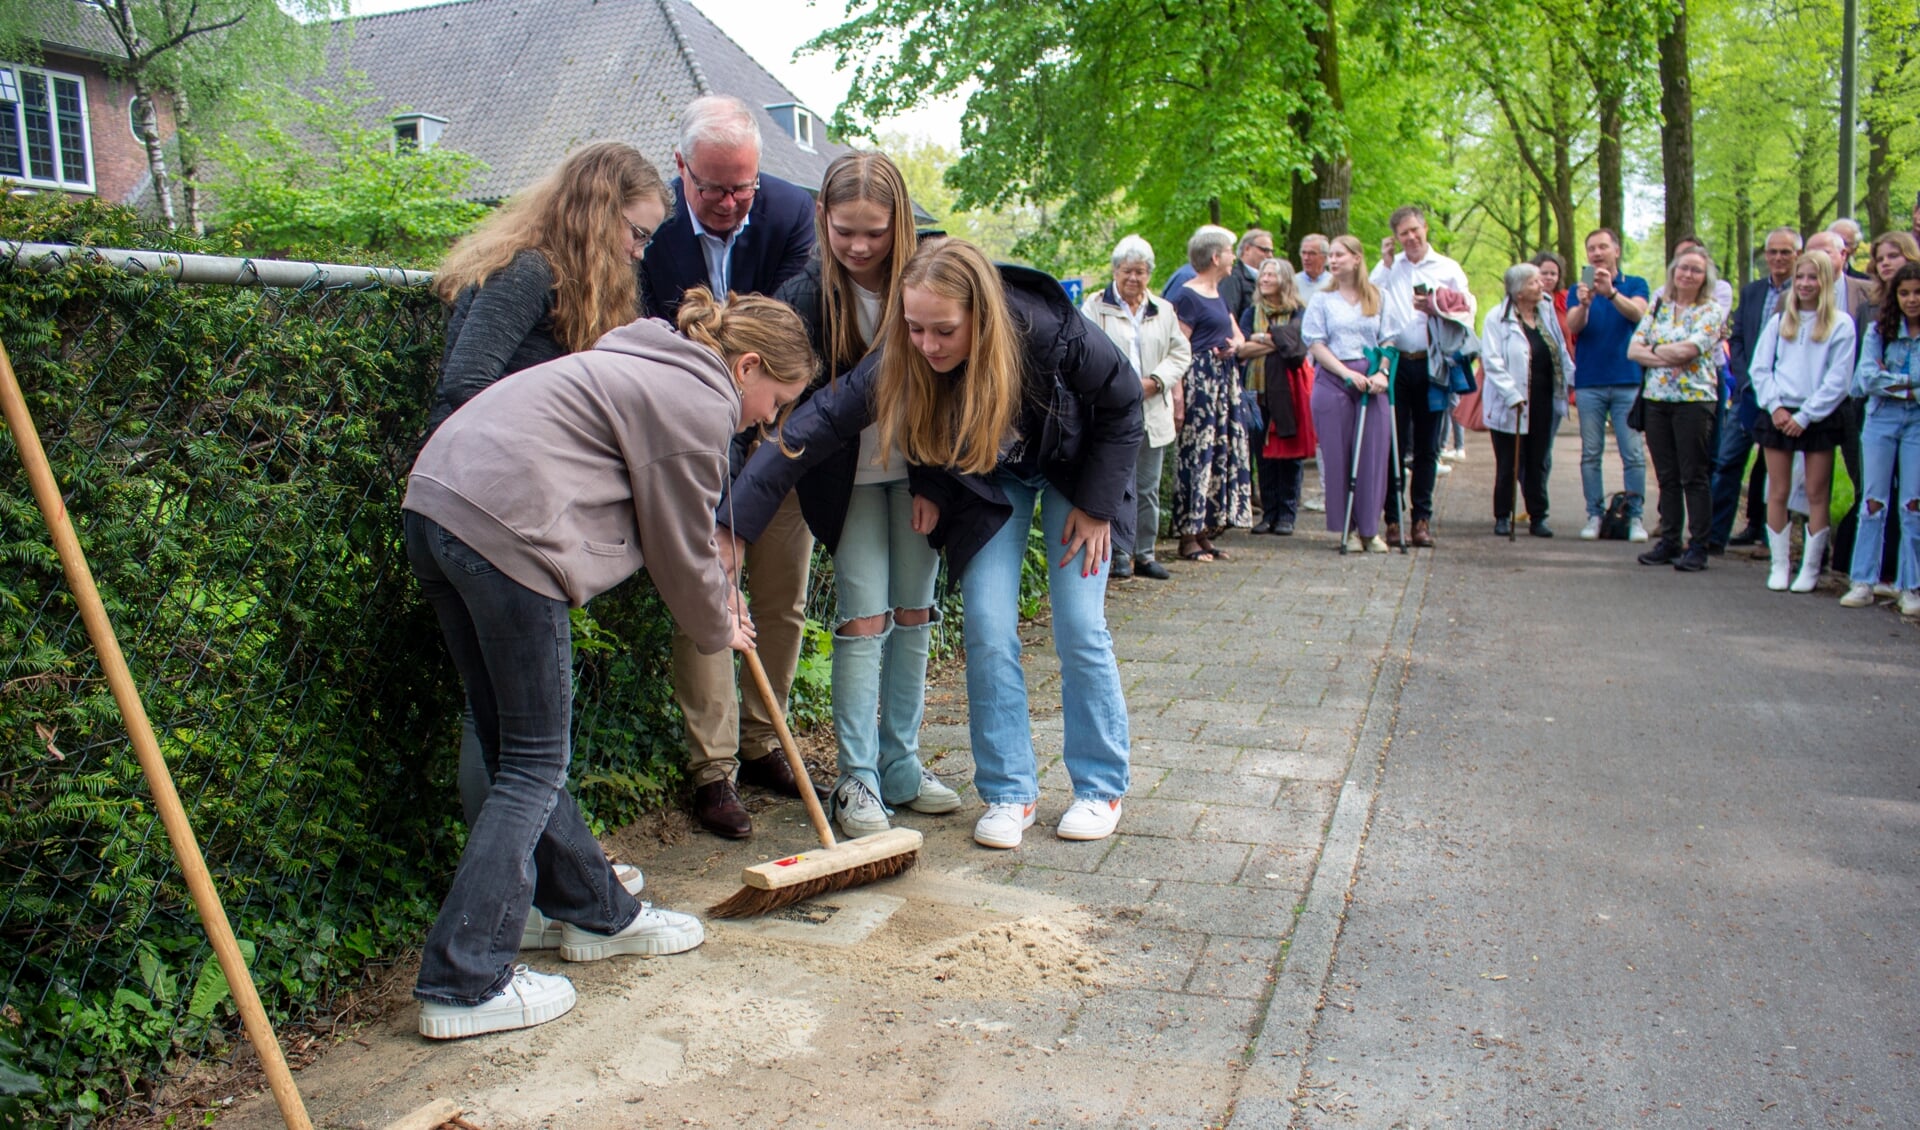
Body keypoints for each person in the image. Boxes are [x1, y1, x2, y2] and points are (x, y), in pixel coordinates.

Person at [404, 289, 813, 1039]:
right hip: (507, 530)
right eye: (775, 398)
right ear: (748, 364)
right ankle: (462, 981)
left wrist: (717, 608)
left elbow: (673, 533)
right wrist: (719, 623)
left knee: (511, 749)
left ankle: (594, 913)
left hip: (436, 506)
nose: (767, 418)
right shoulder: (698, 403)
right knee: (534, 763)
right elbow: (681, 544)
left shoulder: (646, 359)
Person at [725, 237, 1143, 849]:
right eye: (915, 329)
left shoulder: (1049, 328)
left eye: (943, 331)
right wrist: (733, 524)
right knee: (987, 622)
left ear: (982, 314)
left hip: (1075, 476)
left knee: (1079, 624)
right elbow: (820, 422)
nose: (927, 345)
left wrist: (1099, 506)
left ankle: (1100, 785)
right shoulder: (909, 348)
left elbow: (1123, 400)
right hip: (990, 481)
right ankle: (1008, 791)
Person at [426, 140, 668, 944]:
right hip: (493, 518)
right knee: (512, 739)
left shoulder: (576, 285)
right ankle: (523, 899)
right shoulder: (528, 271)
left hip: (504, 518)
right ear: (598, 214)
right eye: (635, 233)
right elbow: (466, 386)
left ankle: (544, 885)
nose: (640, 251)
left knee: (511, 730)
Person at [764, 152, 961, 839]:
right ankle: (859, 779)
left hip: (917, 476)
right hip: (846, 484)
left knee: (914, 612)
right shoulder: (807, 296)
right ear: (822, 219)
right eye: (844, 229)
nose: (857, 246)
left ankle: (901, 763)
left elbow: (950, 390)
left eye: (874, 231)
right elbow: (799, 406)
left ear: (899, 221)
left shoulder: (929, 280)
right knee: (862, 619)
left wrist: (936, 481)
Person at [640, 95, 820, 837]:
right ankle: (713, 771)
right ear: (682, 170)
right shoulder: (651, 230)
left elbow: (786, 334)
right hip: (689, 434)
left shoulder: (789, 213)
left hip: (772, 434)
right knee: (708, 591)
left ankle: (760, 740)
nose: (727, 202)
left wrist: (756, 435)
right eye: (711, 187)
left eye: (741, 186)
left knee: (781, 599)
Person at [1082, 235, 1192, 579]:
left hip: (1151, 406)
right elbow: (1085, 351)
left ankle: (1145, 553)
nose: (1134, 278)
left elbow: (1180, 353)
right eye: (1127, 271)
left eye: (1141, 272)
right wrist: (1118, 385)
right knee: (1113, 484)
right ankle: (1116, 555)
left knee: (1147, 487)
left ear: (1149, 274)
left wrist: (1156, 381)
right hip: (1111, 410)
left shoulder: (1163, 309)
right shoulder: (1094, 306)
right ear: (1115, 271)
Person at [1748, 252, 1856, 592]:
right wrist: (1776, 407)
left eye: (1813, 278)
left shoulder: (1841, 324)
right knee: (1776, 490)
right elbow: (1760, 369)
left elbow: (1838, 379)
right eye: (1801, 278)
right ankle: (1780, 565)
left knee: (1815, 492)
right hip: (1779, 413)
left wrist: (1807, 415)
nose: (1806, 284)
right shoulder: (1779, 322)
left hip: (1817, 417)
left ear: (1825, 282)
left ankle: (1810, 569)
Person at [1373, 205, 1473, 548]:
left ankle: (1421, 519)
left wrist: (1437, 309)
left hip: (1433, 365)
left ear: (1425, 228)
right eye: (1404, 233)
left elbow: (1467, 311)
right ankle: (1392, 517)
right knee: (1392, 444)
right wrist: (1385, 265)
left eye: (1415, 230)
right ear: (1395, 238)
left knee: (1429, 446)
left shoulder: (1447, 268)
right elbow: (1369, 301)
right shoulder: (1389, 268)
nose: (1411, 238)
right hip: (1397, 363)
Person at [1626, 244, 1729, 572]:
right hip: (1657, 400)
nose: (1688, 274)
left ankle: (1699, 544)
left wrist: (1654, 350)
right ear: (1673, 272)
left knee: (1694, 474)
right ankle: (1669, 538)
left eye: (1696, 270)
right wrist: (1665, 352)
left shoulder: (1711, 310)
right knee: (1666, 474)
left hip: (1694, 401)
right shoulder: (1658, 307)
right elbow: (1633, 350)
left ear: (1705, 278)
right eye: (1683, 268)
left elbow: (1693, 349)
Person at [1305, 235, 1400, 552]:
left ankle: (1370, 530)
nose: (1332, 260)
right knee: (1338, 454)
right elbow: (1316, 343)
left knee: (1373, 454)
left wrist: (1381, 372)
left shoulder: (1378, 296)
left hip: (1372, 383)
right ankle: (1347, 526)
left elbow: (1388, 340)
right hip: (1334, 379)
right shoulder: (1322, 299)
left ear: (1357, 258)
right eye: (1330, 255)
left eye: (1339, 255)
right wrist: (1346, 373)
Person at [1712, 227, 1802, 552]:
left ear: (1798, 256)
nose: (1778, 258)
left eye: (1786, 252)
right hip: (1750, 392)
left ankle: (1772, 538)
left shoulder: (1805, 293)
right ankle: (1713, 535)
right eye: (1773, 252)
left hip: (1788, 396)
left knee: (1776, 470)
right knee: (1728, 460)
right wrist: (1744, 375)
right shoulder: (1751, 292)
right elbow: (1736, 338)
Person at [1841, 262, 1920, 614]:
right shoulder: (1877, 331)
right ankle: (1863, 580)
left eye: (1918, 292)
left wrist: (1892, 381)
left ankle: (1910, 585)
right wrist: (1910, 386)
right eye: (1905, 293)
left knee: (1913, 504)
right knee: (1873, 501)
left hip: (1916, 424)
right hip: (1879, 421)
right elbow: (1864, 380)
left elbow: (1879, 379)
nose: (1912, 299)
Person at [1171, 225, 1253, 562]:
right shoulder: (1187, 296)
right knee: (1197, 455)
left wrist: (1235, 345)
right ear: (1216, 256)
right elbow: (1177, 348)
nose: (1234, 258)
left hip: (1223, 385)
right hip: (1200, 388)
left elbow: (1240, 338)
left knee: (1219, 453)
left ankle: (1204, 529)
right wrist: (1178, 395)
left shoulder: (1217, 293)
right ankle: (1188, 534)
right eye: (1231, 252)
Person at [1568, 228, 1653, 542]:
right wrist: (1586, 302)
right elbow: (1573, 326)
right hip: (1590, 381)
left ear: (1616, 250)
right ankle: (1594, 514)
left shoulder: (1634, 284)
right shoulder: (1580, 288)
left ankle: (1634, 517)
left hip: (1626, 379)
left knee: (1632, 452)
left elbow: (1640, 315)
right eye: (1591, 248)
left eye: (1603, 247)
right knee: (1591, 452)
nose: (1597, 253)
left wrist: (1612, 294)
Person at [1480, 263, 1575, 537]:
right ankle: (1502, 514)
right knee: (1508, 462)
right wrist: (1511, 394)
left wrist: (1571, 379)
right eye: (1534, 282)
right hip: (1512, 402)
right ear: (1519, 291)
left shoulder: (1545, 314)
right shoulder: (1497, 318)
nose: (1541, 285)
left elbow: (1559, 349)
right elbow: (1492, 361)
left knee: (1538, 460)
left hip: (1544, 399)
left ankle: (1538, 515)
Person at [1237, 258, 1315, 535]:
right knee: (1263, 454)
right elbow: (1241, 350)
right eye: (1263, 274)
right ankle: (1268, 513)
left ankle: (1287, 513)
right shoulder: (1252, 311)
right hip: (1256, 391)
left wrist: (1262, 339)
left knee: (1289, 454)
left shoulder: (1299, 311)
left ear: (1284, 279)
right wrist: (1276, 341)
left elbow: (1297, 347)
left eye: (1271, 274)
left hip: (1288, 393)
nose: (1265, 278)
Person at [1218, 228, 1275, 326]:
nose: (1270, 255)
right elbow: (1228, 315)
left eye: (1271, 251)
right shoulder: (1232, 277)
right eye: (1264, 250)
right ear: (1247, 249)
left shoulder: (1265, 280)